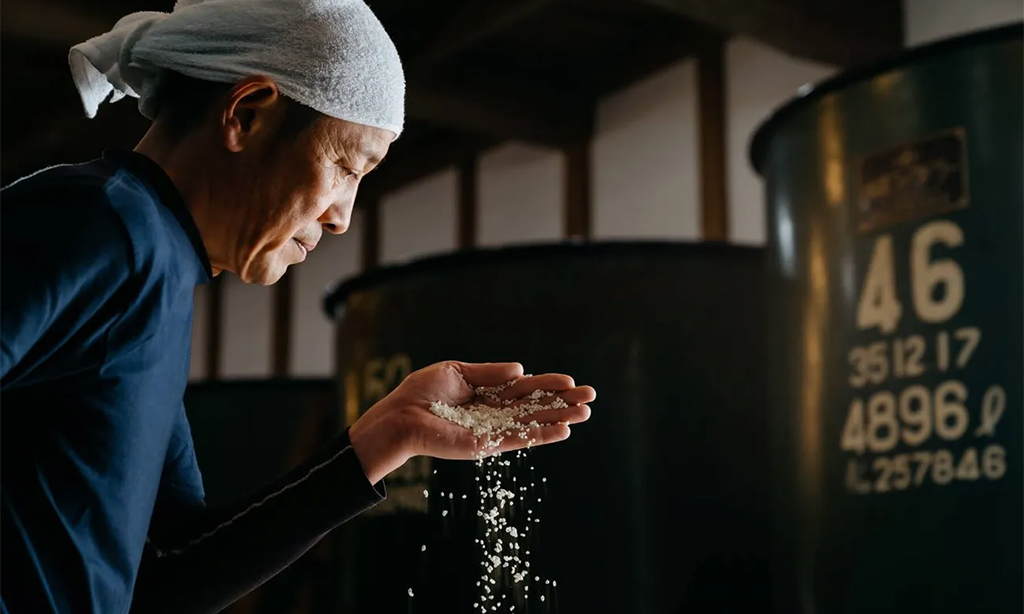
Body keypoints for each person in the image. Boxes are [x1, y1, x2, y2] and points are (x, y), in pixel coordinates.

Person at [0, 1, 595, 613]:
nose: (341, 217)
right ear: (247, 114)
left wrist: (386, 435)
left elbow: (167, 574)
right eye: (344, 166)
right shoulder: (98, 226)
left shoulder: (157, 270)